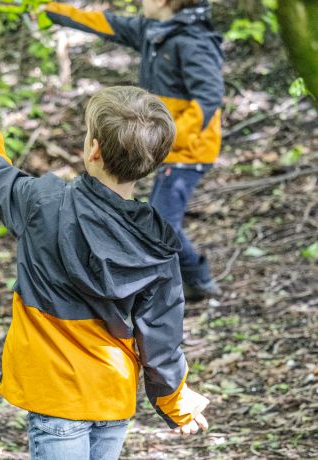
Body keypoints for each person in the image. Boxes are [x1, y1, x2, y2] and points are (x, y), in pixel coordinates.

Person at [0, 86, 209, 460]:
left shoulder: (42, 202)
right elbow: (161, 336)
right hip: (112, 395)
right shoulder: (157, 242)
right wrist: (174, 402)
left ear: (93, 149)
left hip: (56, 394)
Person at [42, 0, 225, 300]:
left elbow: (208, 98)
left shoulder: (194, 41)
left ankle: (198, 281)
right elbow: (108, 24)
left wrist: (168, 138)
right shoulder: (154, 30)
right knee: (158, 219)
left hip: (189, 152)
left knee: (162, 222)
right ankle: (189, 281)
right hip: (167, 146)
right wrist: (54, 11)